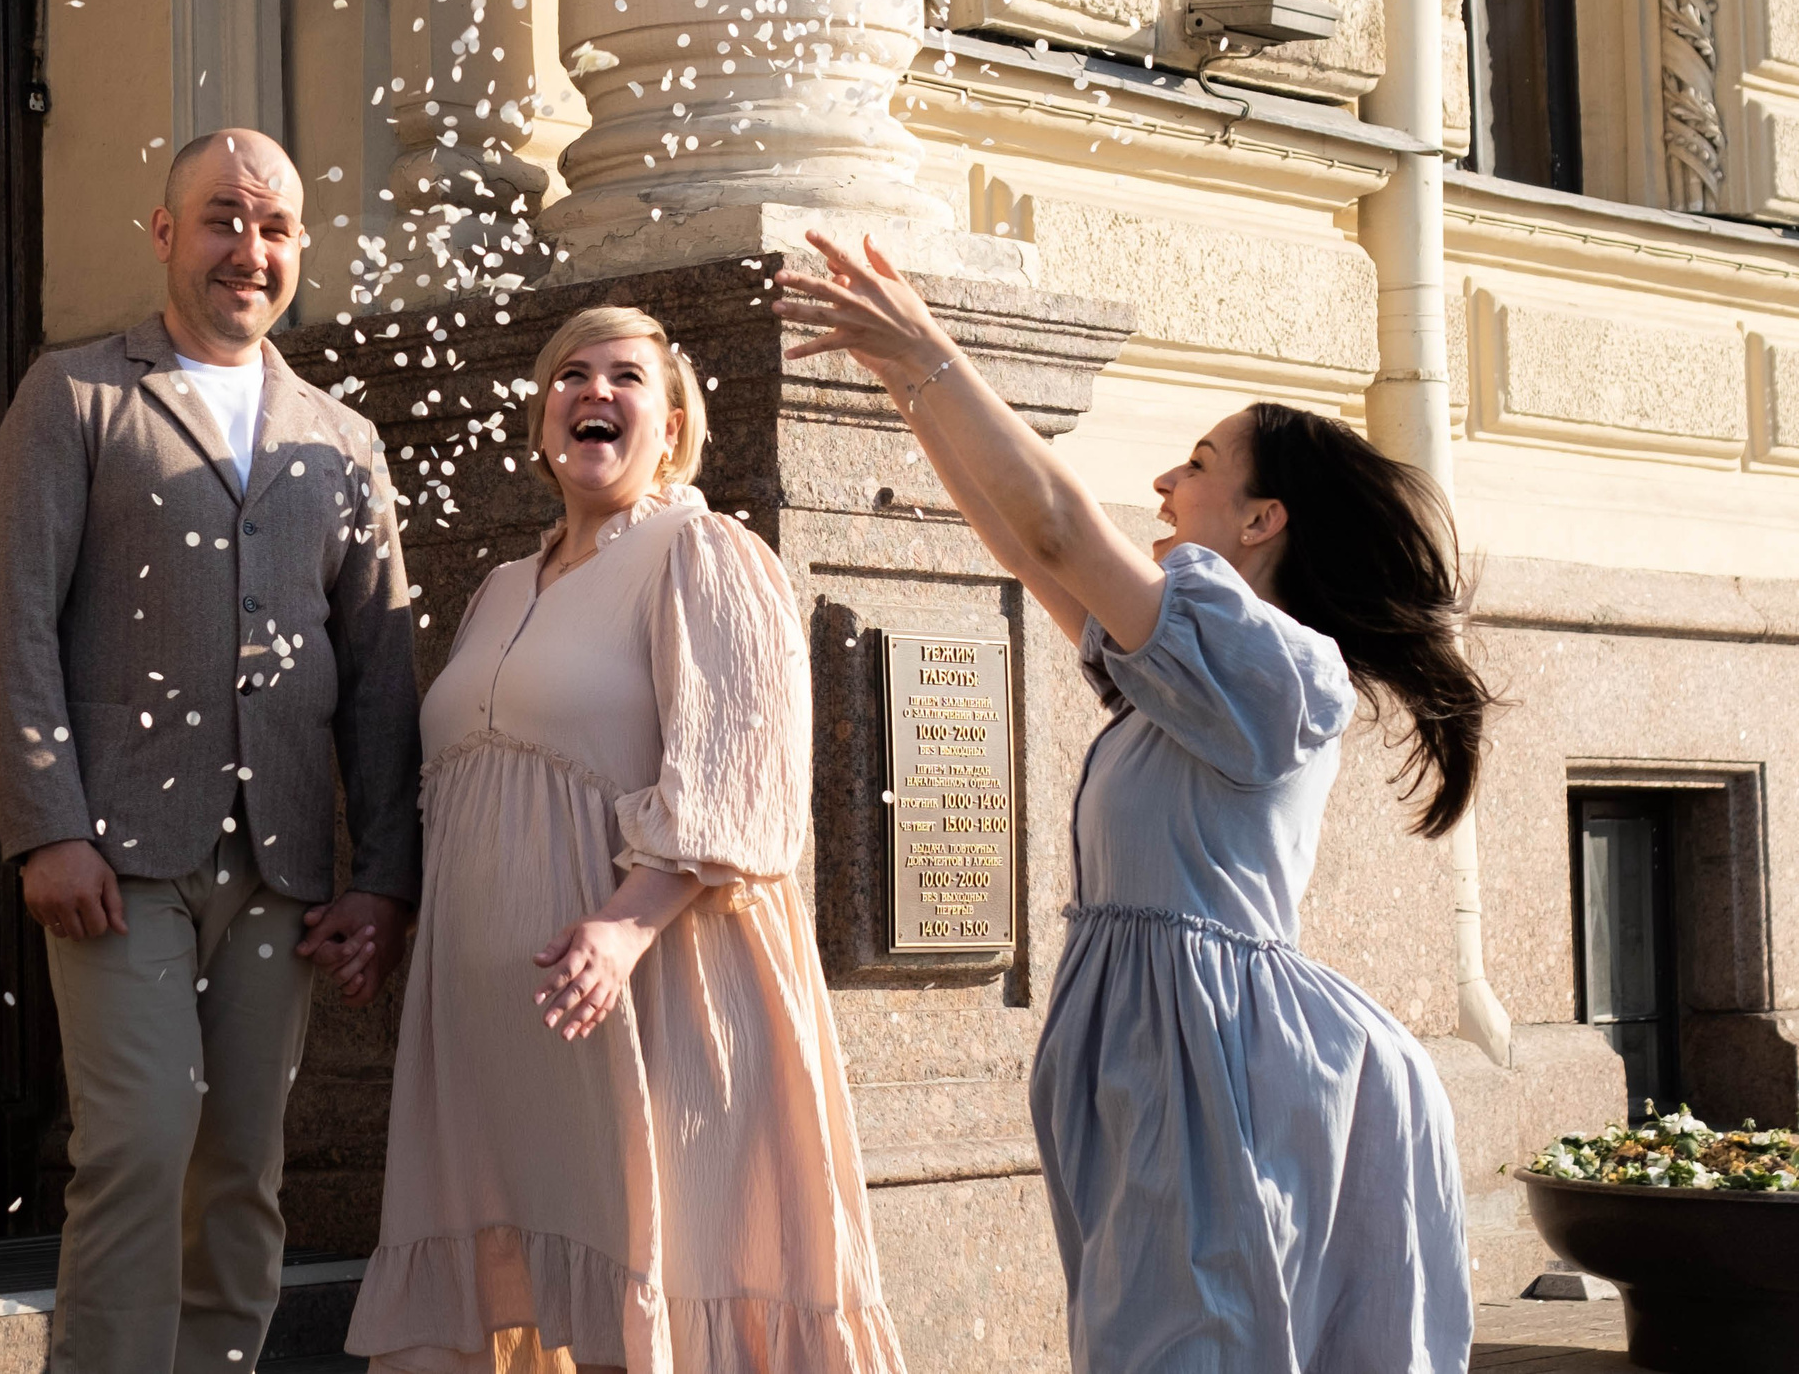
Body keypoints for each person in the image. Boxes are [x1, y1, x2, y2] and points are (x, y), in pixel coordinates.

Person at [774, 232, 1484, 1373]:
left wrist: (933, 349)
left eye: (1196, 464)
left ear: (1261, 520)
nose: (1164, 482)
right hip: (1155, 1044)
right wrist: (906, 380)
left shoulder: (1277, 668)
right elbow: (1030, 550)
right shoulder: (1191, 681)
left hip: (1215, 1057)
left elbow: (1061, 528)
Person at [345, 305, 905, 1374]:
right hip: (498, 1039)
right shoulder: (499, 588)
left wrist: (623, 927)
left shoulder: (701, 550)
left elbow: (743, 779)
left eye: (626, 377)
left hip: (649, 995)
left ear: (674, 426)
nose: (594, 391)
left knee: (647, 1298)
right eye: (570, 374)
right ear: (539, 418)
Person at [0, 127, 423, 1374]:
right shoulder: (75, 394)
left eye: (275, 227)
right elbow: (10, 619)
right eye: (223, 218)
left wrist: (383, 878)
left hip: (284, 871)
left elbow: (381, 677)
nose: (249, 248)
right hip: (116, 858)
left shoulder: (340, 439)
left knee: (241, 1168)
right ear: (164, 232)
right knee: (140, 1144)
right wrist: (46, 826)